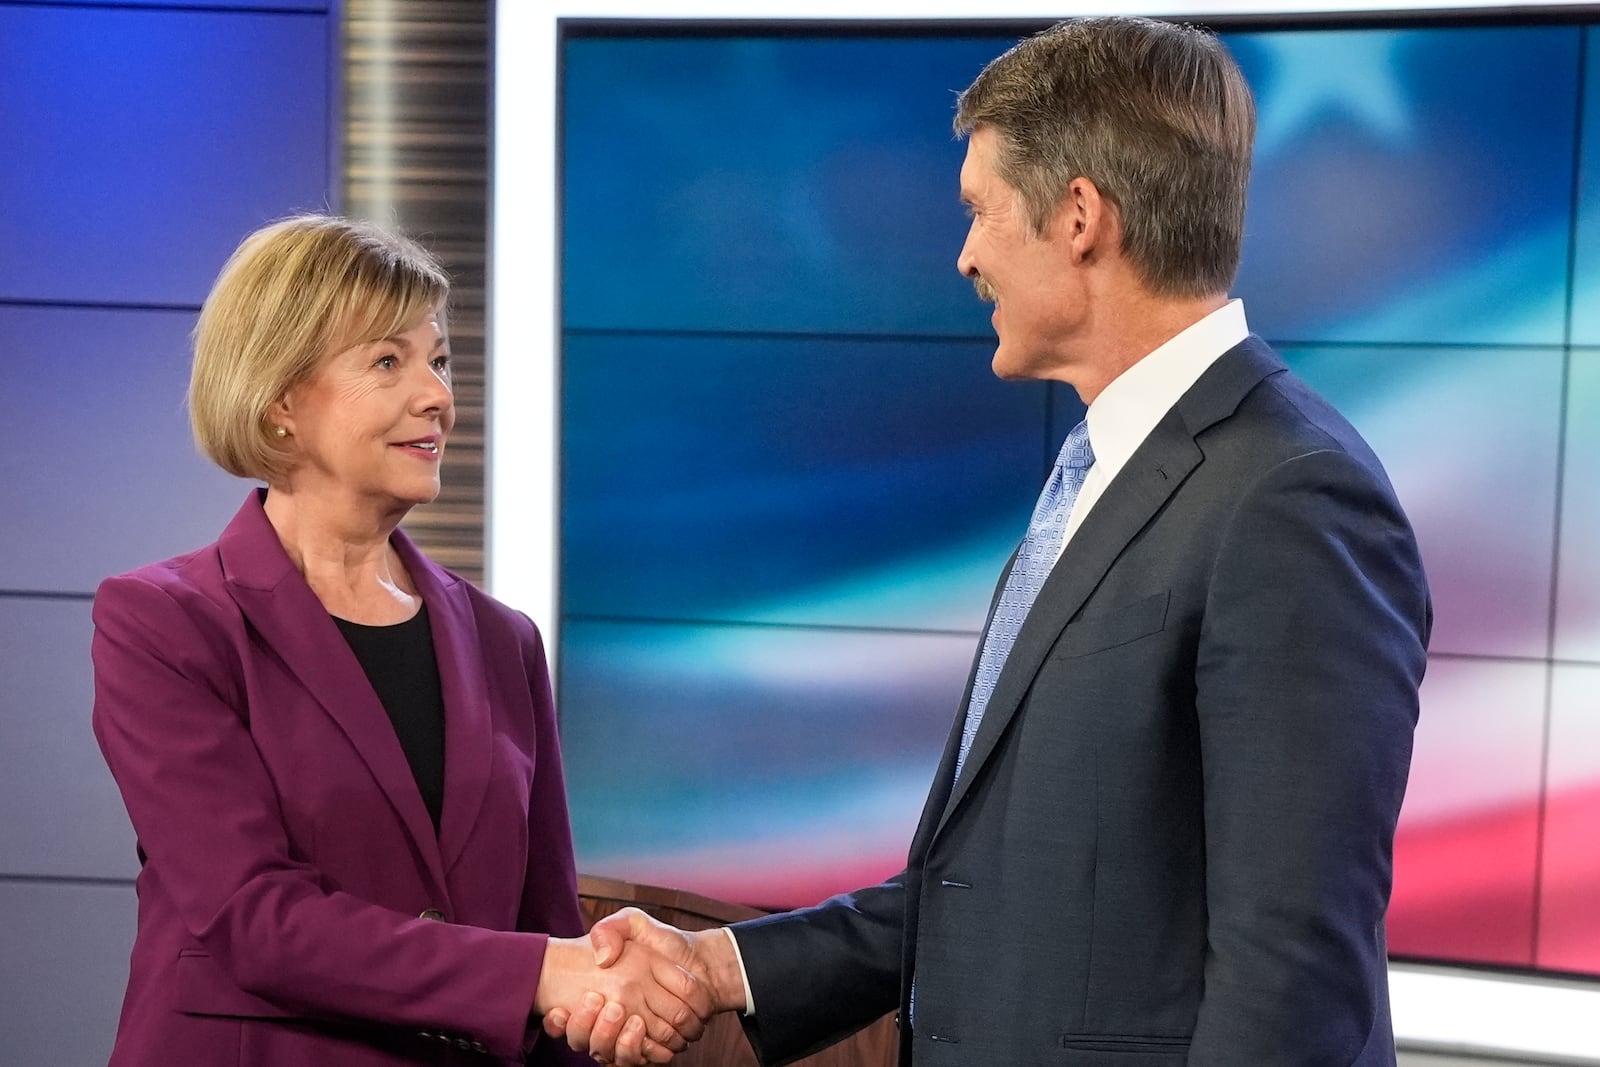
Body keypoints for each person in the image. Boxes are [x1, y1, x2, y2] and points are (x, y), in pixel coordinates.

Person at [549, 16, 1431, 1066]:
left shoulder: (1290, 496)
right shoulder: (1099, 475)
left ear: (1077, 216)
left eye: (979, 209)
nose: (965, 254)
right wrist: (720, 967)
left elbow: (1292, 971)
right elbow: (983, 884)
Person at [91, 215, 710, 1067]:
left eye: (439, 360)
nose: (437, 395)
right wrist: (543, 973)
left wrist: (604, 1006)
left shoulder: (505, 643)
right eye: (388, 361)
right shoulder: (164, 621)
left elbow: (548, 933)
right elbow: (252, 917)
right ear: (280, 403)